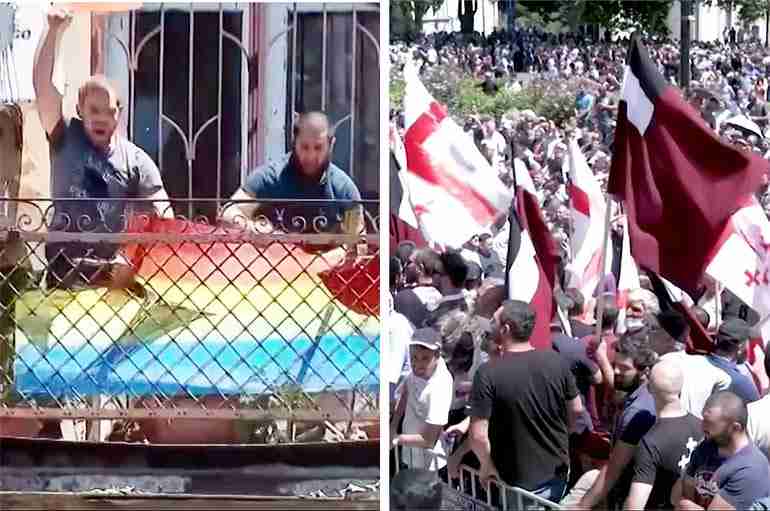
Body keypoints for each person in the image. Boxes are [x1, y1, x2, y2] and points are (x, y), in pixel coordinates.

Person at [34, 8, 173, 290]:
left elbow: (164, 217)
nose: (101, 118)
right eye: (94, 111)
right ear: (79, 111)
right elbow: (44, 90)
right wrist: (54, 32)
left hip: (111, 280)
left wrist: (133, 257)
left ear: (119, 113)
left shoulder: (136, 160)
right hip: (63, 275)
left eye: (108, 111)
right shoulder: (65, 136)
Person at [469, 300, 583, 502]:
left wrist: (486, 465)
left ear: (505, 329)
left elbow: (478, 435)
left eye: (494, 321)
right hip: (556, 474)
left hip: (517, 486)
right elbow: (576, 410)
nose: (490, 325)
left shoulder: (487, 373)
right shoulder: (556, 361)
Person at [220, 112, 364, 260]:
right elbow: (228, 213)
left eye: (318, 148)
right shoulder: (269, 178)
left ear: (331, 144)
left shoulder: (344, 189)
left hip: (325, 269)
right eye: (304, 147)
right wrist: (255, 230)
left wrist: (322, 261)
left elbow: (356, 242)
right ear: (294, 142)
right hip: (272, 268)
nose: (310, 156)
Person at [568, 330, 658, 510]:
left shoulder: (637, 411)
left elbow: (615, 467)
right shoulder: (641, 394)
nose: (616, 371)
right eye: (615, 365)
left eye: (624, 368)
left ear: (644, 371)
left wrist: (582, 506)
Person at [624, 358, 704, 510]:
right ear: (681, 387)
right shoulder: (702, 427)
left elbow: (635, 504)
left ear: (649, 388)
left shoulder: (651, 442)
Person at [672, 391, 770, 510]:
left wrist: (684, 504)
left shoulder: (750, 469)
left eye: (709, 423)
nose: (702, 427)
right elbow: (675, 496)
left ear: (735, 428)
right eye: (703, 419)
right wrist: (684, 503)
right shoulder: (706, 447)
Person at [391, 328, 453, 472]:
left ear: (437, 355)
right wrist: (393, 426)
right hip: (410, 455)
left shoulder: (440, 386)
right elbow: (405, 392)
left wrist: (395, 439)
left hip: (432, 464)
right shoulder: (416, 372)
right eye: (414, 357)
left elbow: (428, 440)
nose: (417, 364)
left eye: (425, 358)